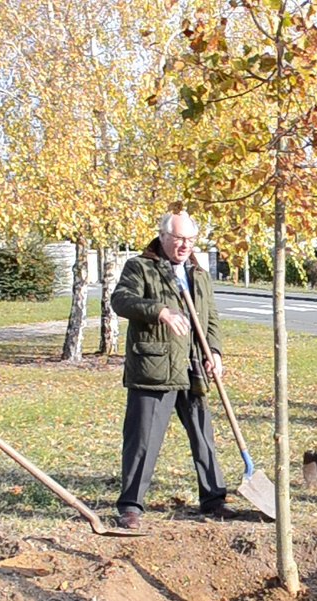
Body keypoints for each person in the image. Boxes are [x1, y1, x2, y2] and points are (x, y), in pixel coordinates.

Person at [112, 206, 231, 530]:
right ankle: (131, 505)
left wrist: (215, 351)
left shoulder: (199, 274)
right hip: (155, 367)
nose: (184, 246)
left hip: (193, 366)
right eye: (178, 239)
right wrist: (159, 310)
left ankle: (214, 499)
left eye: (190, 240)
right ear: (163, 236)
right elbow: (120, 300)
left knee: (203, 435)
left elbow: (211, 318)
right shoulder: (141, 267)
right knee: (143, 440)